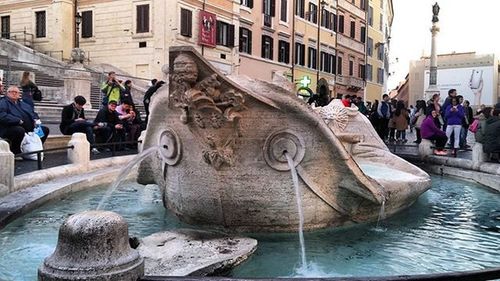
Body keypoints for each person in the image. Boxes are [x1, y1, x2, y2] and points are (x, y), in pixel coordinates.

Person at [0, 86, 49, 154]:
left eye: (16, 92)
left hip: (30, 128)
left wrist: (36, 120)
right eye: (11, 92)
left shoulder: (24, 104)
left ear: (19, 94)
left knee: (44, 130)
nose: (14, 93)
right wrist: (18, 121)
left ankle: (36, 150)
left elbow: (33, 113)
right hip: (10, 127)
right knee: (19, 130)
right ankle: (16, 151)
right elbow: (2, 115)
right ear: (7, 93)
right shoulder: (3, 102)